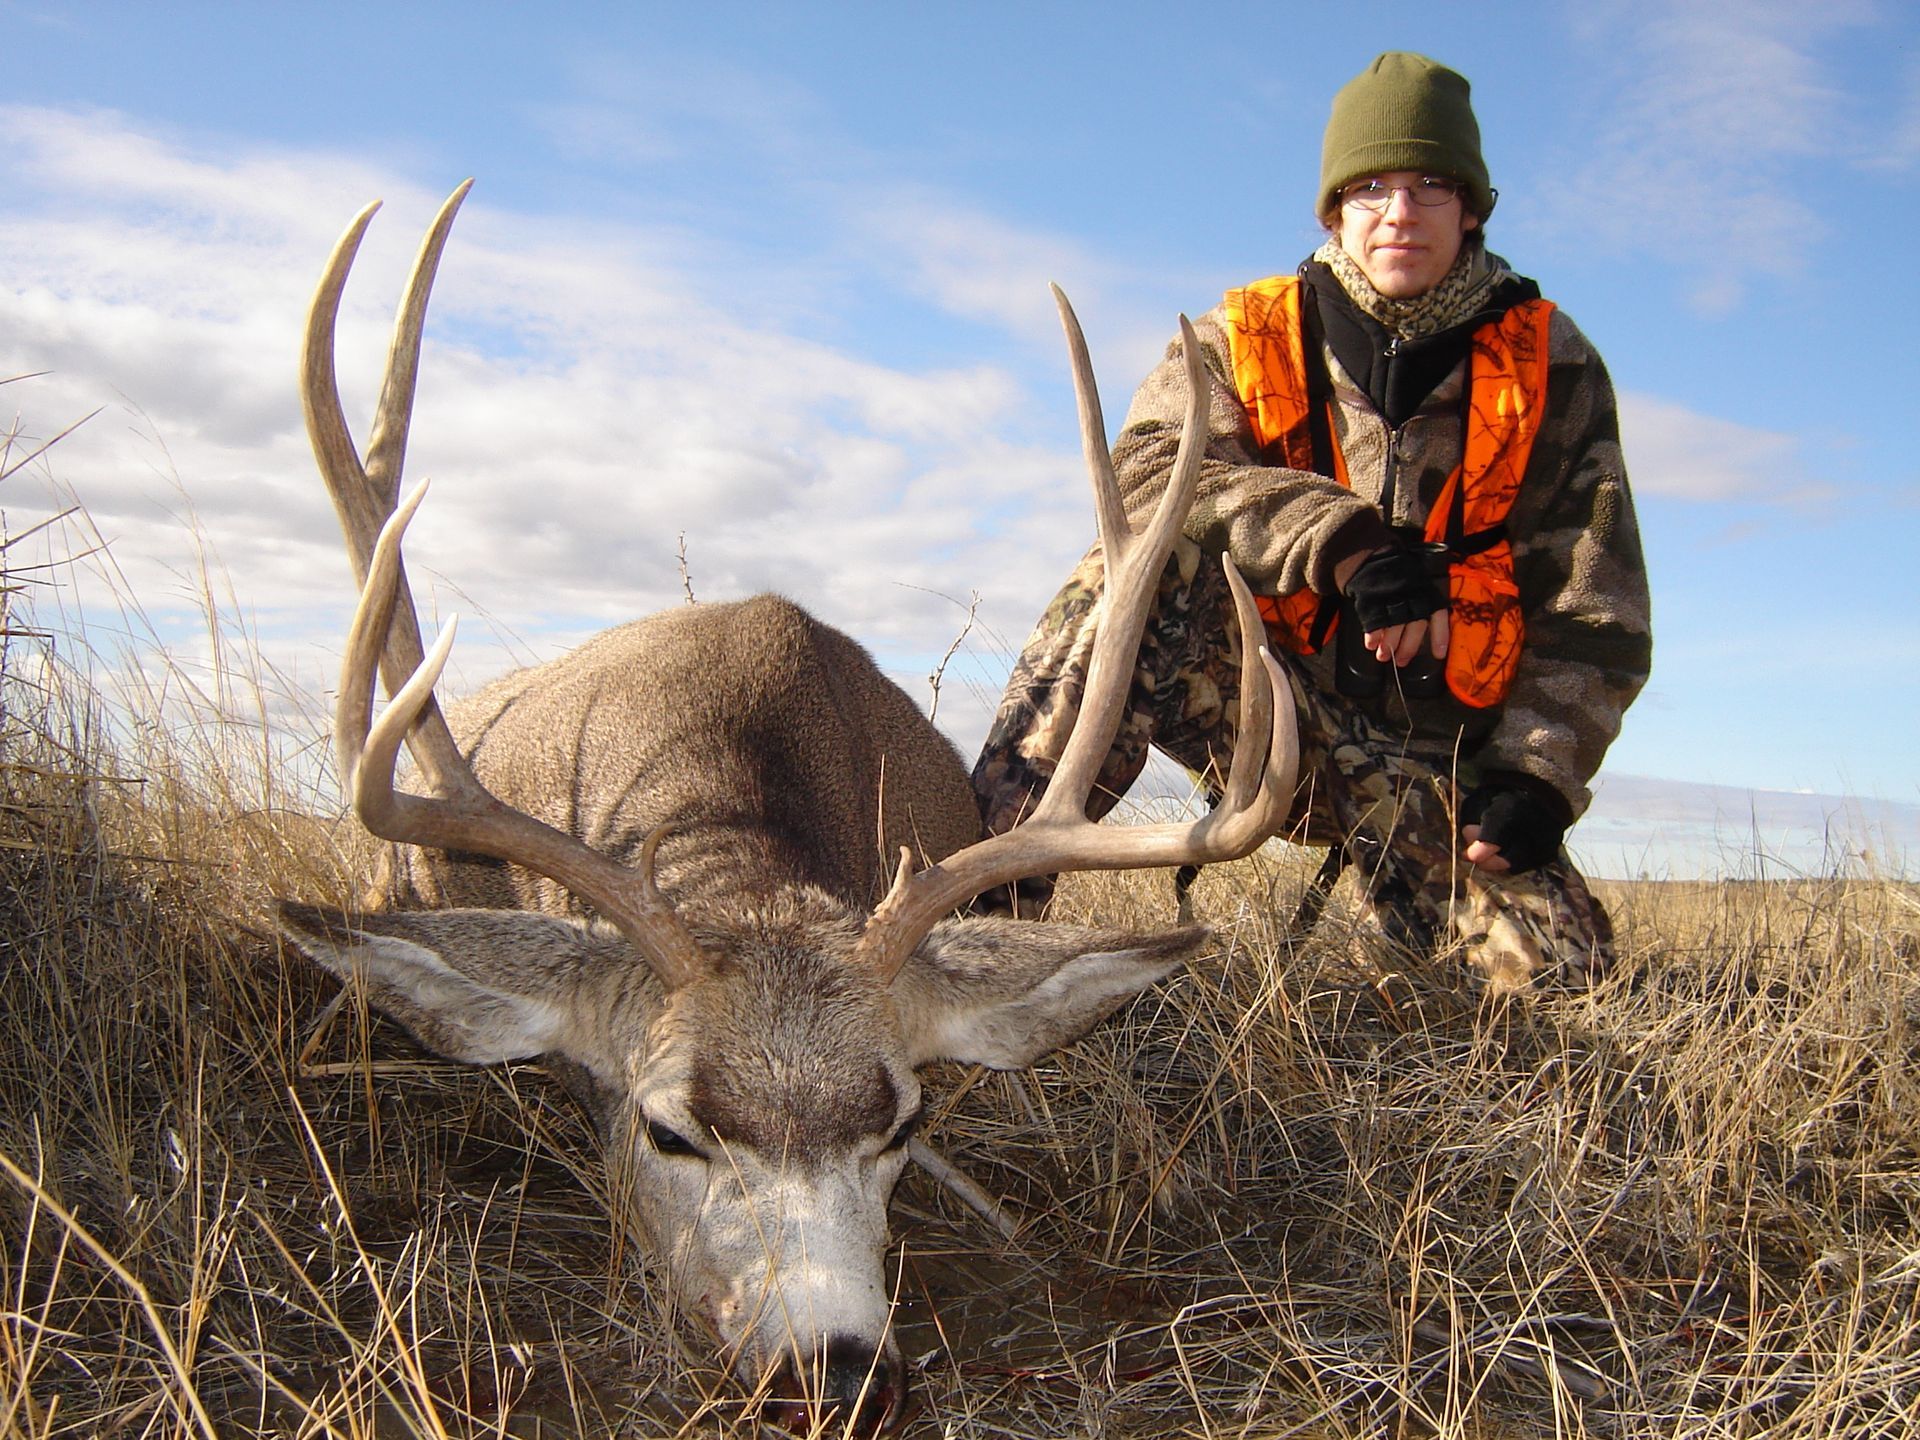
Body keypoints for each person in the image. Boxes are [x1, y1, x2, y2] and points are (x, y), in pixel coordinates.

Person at [971, 51, 1651, 991]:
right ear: (1335, 212)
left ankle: (1414, 919)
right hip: (1257, 706)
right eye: (1369, 188)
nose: (1399, 213)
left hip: (1432, 768)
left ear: (1474, 207)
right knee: (1132, 568)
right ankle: (977, 936)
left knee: (1561, 980)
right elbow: (1146, 472)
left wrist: (1536, 777)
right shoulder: (1240, 338)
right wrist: (1339, 541)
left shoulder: (1554, 368)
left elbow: (1595, 611)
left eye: (1430, 187)